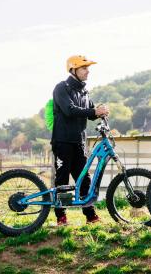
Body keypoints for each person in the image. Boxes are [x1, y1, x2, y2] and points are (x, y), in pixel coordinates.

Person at [51, 55, 110, 226]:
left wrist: (101, 111)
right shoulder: (61, 88)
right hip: (63, 141)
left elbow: (90, 111)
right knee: (62, 180)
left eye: (87, 68)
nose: (88, 71)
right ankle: (61, 217)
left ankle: (91, 216)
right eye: (84, 68)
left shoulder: (84, 91)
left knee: (84, 179)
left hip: (79, 142)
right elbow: (69, 110)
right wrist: (94, 112)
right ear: (73, 70)